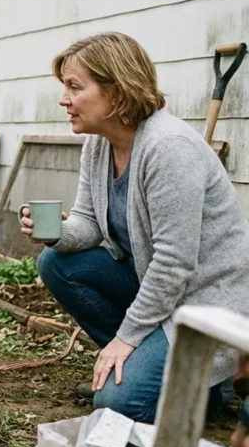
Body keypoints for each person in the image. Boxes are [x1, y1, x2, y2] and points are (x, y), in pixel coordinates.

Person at [21, 32, 249, 423]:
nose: (63, 99)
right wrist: (57, 233)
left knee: (117, 405)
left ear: (116, 91)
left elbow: (174, 263)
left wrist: (125, 338)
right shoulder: (99, 144)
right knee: (56, 262)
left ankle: (186, 377)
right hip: (160, 290)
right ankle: (164, 374)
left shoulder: (168, 147)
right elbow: (88, 223)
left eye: (74, 87)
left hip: (208, 304)